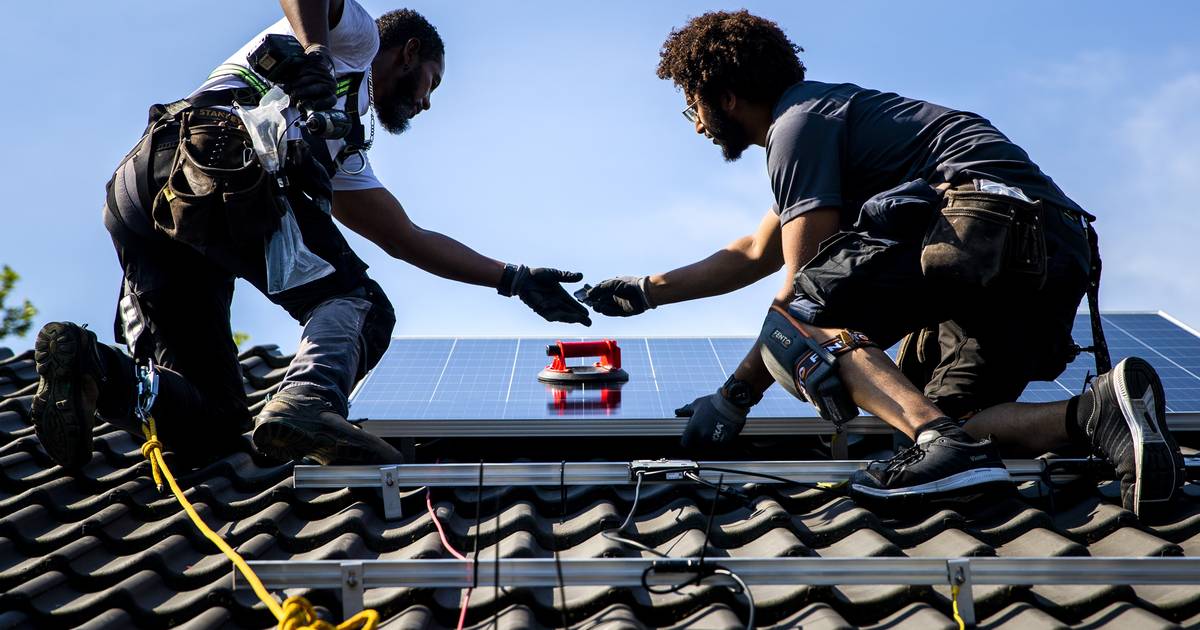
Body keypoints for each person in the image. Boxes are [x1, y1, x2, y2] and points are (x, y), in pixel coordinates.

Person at [581, 10, 1183, 515]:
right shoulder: (829, 118)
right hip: (1052, 248)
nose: (697, 124)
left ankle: (935, 441)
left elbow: (799, 293)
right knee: (951, 413)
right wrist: (647, 290)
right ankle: (1099, 412)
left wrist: (735, 395)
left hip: (981, 226)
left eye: (693, 104)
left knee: (799, 326)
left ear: (725, 96)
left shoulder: (797, 127)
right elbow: (753, 251)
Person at [31, 0, 591, 470]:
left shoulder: (341, 150)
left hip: (145, 191)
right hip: (215, 156)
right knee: (362, 306)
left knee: (213, 423)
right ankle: (309, 400)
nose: (427, 101)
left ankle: (91, 370)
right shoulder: (359, 44)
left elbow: (405, 236)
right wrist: (318, 53)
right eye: (431, 83)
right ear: (410, 53)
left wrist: (512, 279)